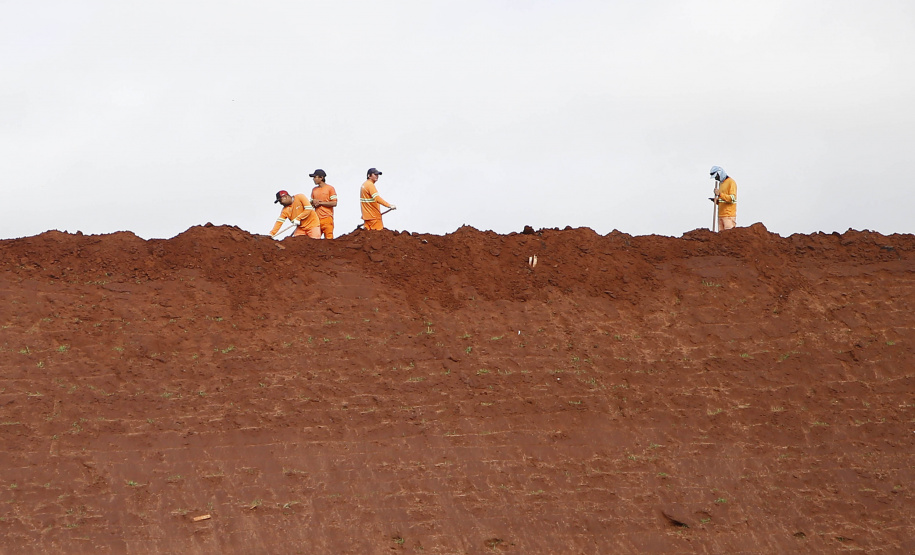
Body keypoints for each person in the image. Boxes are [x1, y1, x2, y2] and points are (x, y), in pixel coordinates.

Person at [309, 169, 337, 239]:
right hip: (316, 219)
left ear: (321, 178)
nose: (314, 179)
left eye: (315, 177)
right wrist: (313, 202)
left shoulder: (330, 188)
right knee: (314, 239)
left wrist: (320, 203)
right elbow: (311, 203)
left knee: (329, 239)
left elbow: (334, 203)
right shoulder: (314, 190)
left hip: (327, 218)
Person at [710, 165, 737, 231]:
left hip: (728, 216)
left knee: (729, 237)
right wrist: (717, 200)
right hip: (720, 215)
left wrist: (719, 194)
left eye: (716, 176)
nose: (716, 179)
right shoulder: (721, 184)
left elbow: (732, 198)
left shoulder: (731, 182)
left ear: (720, 173)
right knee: (721, 238)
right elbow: (723, 199)